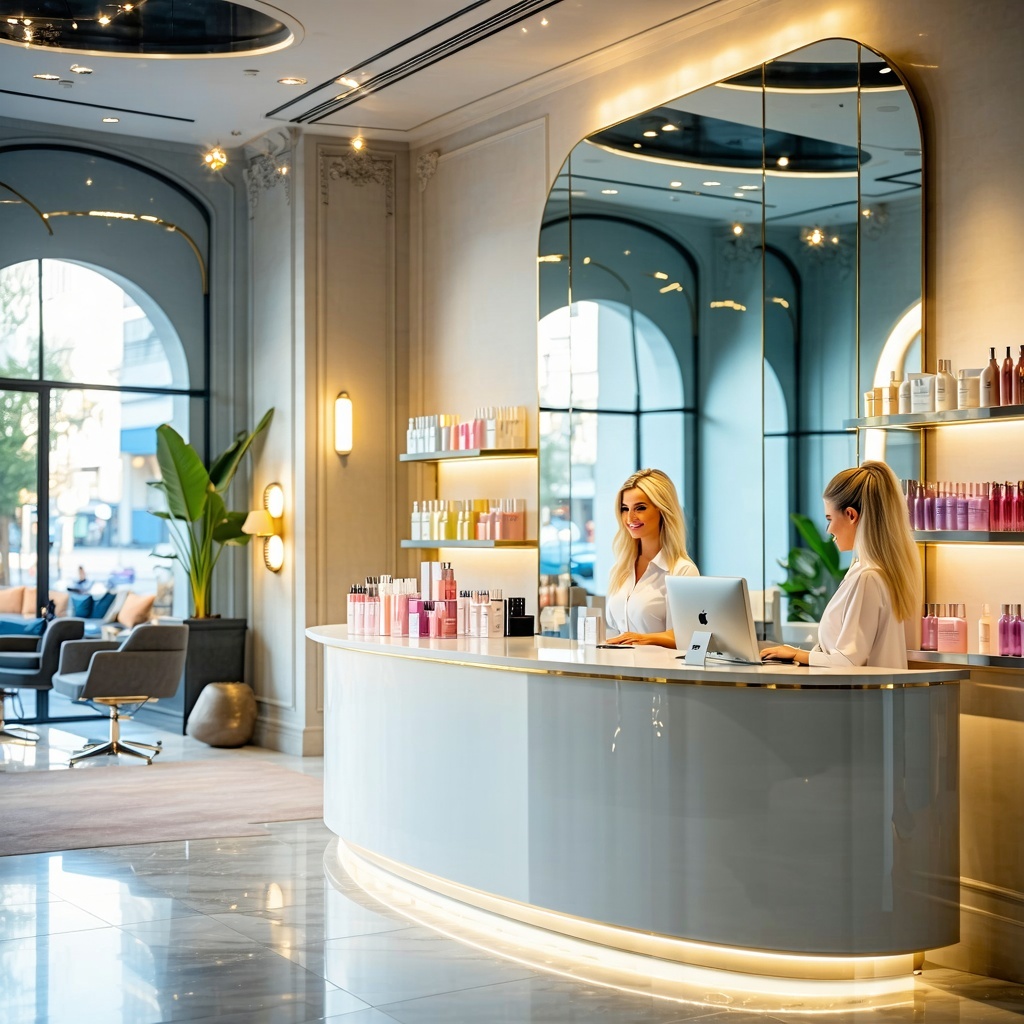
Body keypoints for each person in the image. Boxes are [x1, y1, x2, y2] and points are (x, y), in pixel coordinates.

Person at [760, 461, 921, 669]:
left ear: (851, 515)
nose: (828, 530)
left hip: (861, 699)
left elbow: (847, 660)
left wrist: (796, 654)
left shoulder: (869, 577)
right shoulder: (870, 572)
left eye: (829, 518)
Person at [605, 468, 698, 647]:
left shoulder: (682, 571)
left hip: (660, 672)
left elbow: (688, 636)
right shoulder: (619, 570)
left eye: (640, 508)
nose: (630, 517)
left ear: (662, 510)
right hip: (619, 671)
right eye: (625, 509)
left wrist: (643, 639)